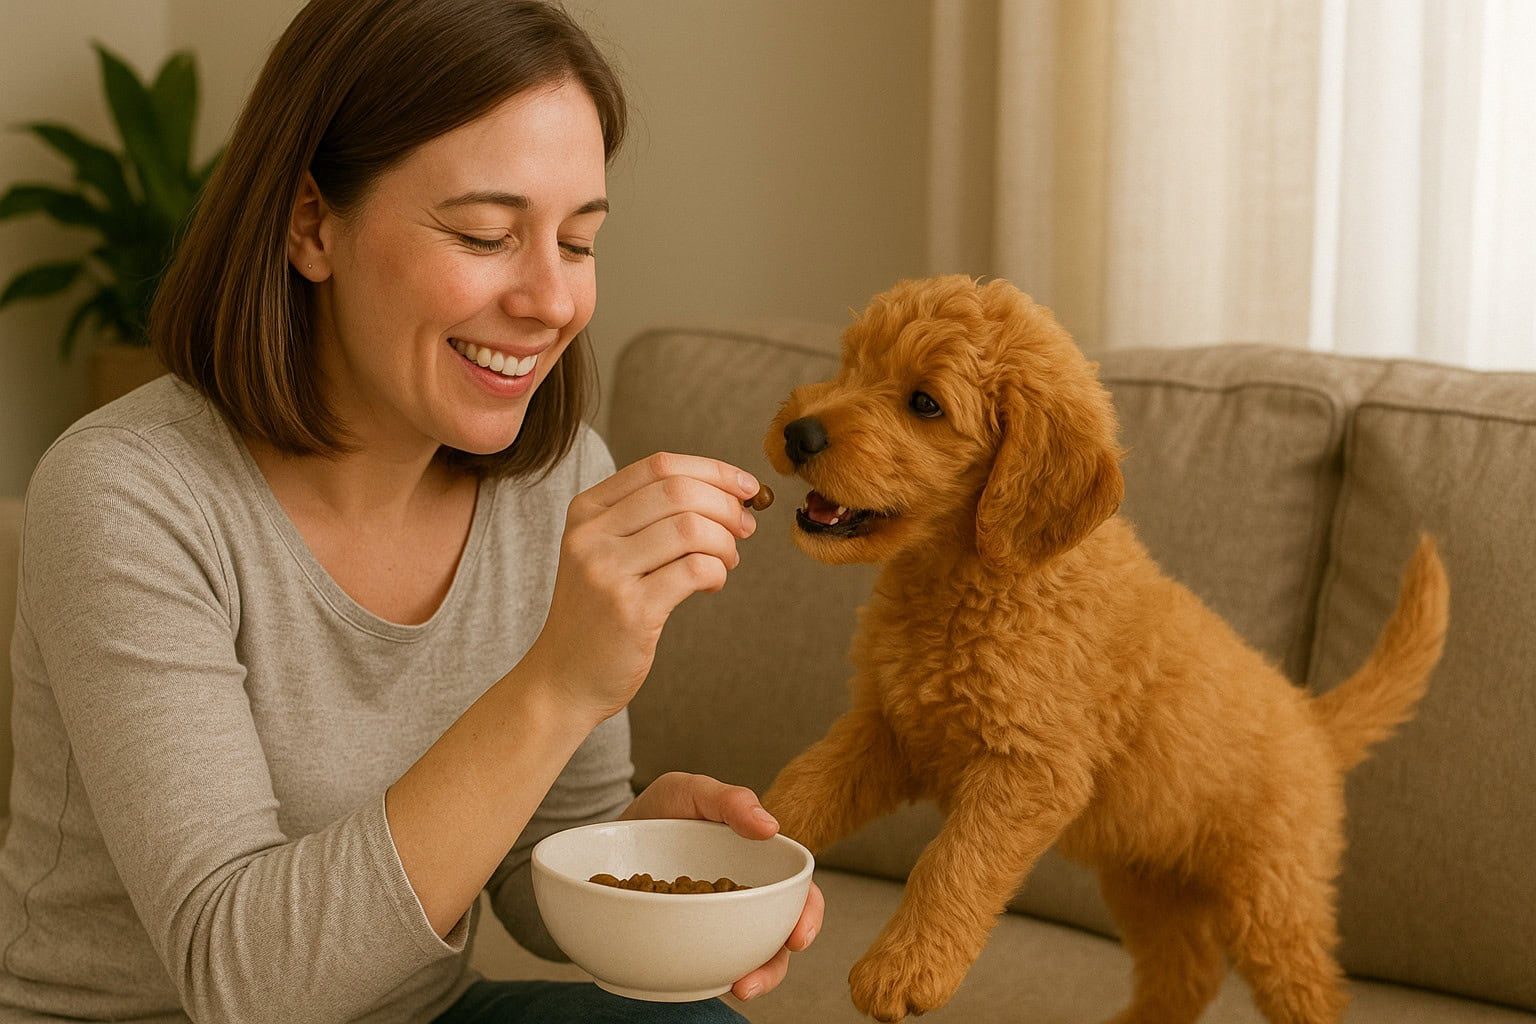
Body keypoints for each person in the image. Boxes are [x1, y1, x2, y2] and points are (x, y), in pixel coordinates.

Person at [0, 1, 822, 1021]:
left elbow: (522, 857)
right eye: (485, 234)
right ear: (312, 224)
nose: (551, 300)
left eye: (578, 241)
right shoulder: (128, 495)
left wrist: (644, 858)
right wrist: (557, 683)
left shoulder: (556, 480)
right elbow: (239, 982)